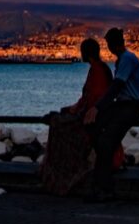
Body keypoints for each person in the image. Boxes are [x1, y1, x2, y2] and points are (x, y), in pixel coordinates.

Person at [38, 38, 123, 196]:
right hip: (90, 113)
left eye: (82, 50)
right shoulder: (99, 68)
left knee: (57, 124)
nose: (80, 53)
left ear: (87, 53)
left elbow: (93, 100)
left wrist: (74, 111)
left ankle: (60, 175)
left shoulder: (98, 70)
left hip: (93, 118)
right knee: (57, 118)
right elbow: (87, 99)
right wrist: (70, 109)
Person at [83, 27, 139, 202]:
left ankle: (104, 187)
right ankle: (101, 178)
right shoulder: (122, 60)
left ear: (112, 44)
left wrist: (97, 107)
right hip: (121, 105)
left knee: (106, 141)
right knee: (93, 128)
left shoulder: (127, 59)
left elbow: (116, 86)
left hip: (131, 106)